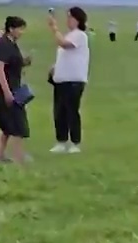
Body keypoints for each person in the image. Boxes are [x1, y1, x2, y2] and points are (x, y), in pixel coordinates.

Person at [47, 7, 89, 154]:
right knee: (59, 112)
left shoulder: (79, 35)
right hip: (61, 80)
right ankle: (61, 141)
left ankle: (75, 142)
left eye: (70, 17)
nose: (68, 20)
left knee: (72, 111)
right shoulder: (70, 34)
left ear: (78, 19)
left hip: (74, 81)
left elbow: (64, 44)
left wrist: (54, 28)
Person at [0, 16, 30, 164]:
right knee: (17, 122)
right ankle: (19, 156)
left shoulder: (12, 44)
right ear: (11, 29)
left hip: (13, 87)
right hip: (4, 90)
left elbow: (10, 64)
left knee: (7, 123)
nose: (21, 32)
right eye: (20, 29)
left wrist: (24, 62)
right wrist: (7, 92)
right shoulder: (3, 44)